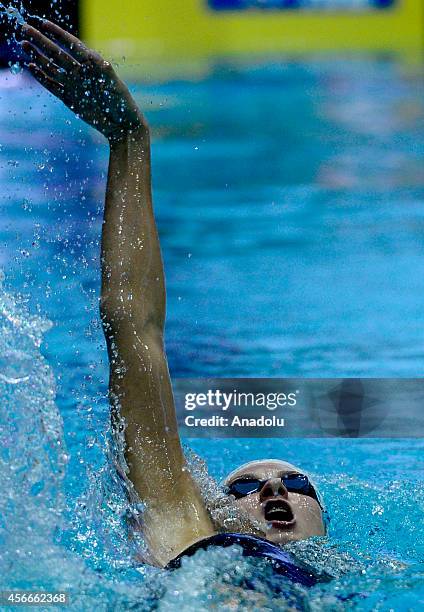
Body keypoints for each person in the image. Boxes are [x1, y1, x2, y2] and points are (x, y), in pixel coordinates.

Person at [16, 18, 326, 571]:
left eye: (295, 481)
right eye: (243, 488)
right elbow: (132, 324)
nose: (273, 490)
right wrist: (129, 141)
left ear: (325, 518)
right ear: (213, 512)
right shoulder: (186, 535)